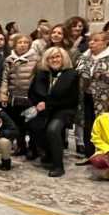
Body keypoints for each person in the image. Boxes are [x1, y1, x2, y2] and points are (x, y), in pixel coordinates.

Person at [27, 47, 79, 177]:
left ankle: (58, 166)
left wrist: (47, 104)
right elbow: (32, 93)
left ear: (63, 58)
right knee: (32, 125)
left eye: (57, 57)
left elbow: (71, 99)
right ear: (47, 60)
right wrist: (36, 104)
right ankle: (48, 153)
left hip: (63, 109)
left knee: (53, 129)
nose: (54, 60)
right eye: (51, 57)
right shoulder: (41, 73)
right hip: (44, 109)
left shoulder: (71, 74)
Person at [0, 33, 38, 156]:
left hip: (29, 97)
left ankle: (33, 148)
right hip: (14, 97)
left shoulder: (36, 59)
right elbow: (5, 78)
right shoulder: (9, 59)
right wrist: (3, 94)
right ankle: (21, 146)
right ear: (15, 45)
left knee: (31, 125)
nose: (22, 45)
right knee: (17, 124)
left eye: (25, 42)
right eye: (20, 42)